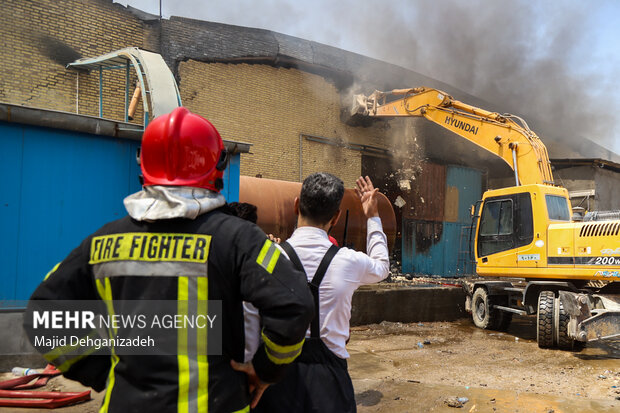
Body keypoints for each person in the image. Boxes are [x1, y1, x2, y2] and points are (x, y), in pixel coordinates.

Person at [25, 107, 314, 413]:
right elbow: (296, 305)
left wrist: (103, 370)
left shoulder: (102, 242)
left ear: (143, 165)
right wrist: (265, 370)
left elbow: (43, 316)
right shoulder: (239, 239)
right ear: (217, 167)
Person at [252, 172, 390, 412]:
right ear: (336, 217)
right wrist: (373, 216)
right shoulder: (349, 261)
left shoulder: (269, 257)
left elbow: (249, 317)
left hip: (276, 375)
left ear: (297, 205)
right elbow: (382, 266)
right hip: (330, 381)